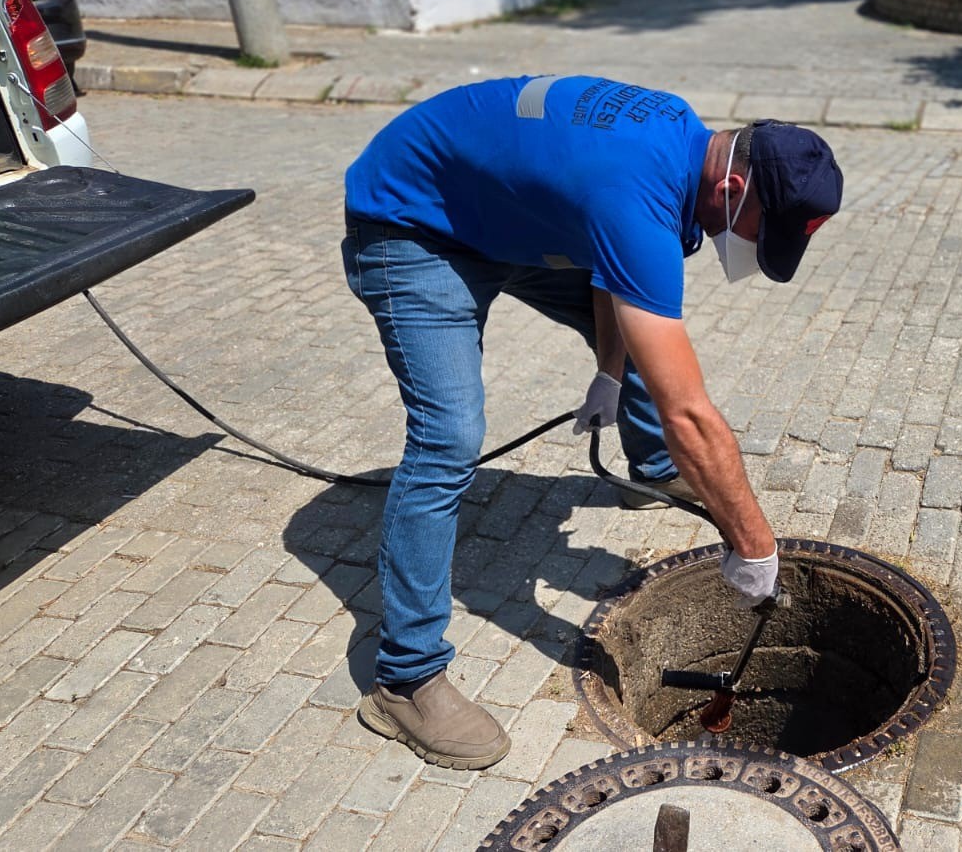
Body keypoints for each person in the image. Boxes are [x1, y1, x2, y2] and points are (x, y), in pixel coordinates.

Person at [342, 75, 842, 770]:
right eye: (769, 230)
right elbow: (689, 412)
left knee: (647, 339)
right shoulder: (634, 191)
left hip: (505, 216)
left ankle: (655, 470)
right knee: (448, 436)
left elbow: (612, 274)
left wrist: (610, 372)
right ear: (732, 191)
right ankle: (404, 679)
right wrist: (753, 543)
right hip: (415, 223)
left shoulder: (681, 144)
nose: (762, 248)